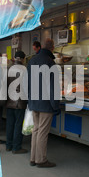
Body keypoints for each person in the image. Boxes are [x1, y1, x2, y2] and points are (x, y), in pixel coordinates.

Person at [27, 38, 60, 167]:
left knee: (35, 130)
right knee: (42, 132)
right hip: (46, 104)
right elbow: (53, 88)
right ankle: (41, 160)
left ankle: (33, 158)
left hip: (34, 101)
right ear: (52, 48)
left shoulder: (32, 60)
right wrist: (55, 105)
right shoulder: (50, 63)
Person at [6, 50, 28, 154]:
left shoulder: (8, 68)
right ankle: (16, 147)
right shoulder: (25, 69)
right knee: (18, 125)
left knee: (10, 124)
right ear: (23, 59)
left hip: (9, 101)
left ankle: (8, 145)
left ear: (14, 58)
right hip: (20, 102)